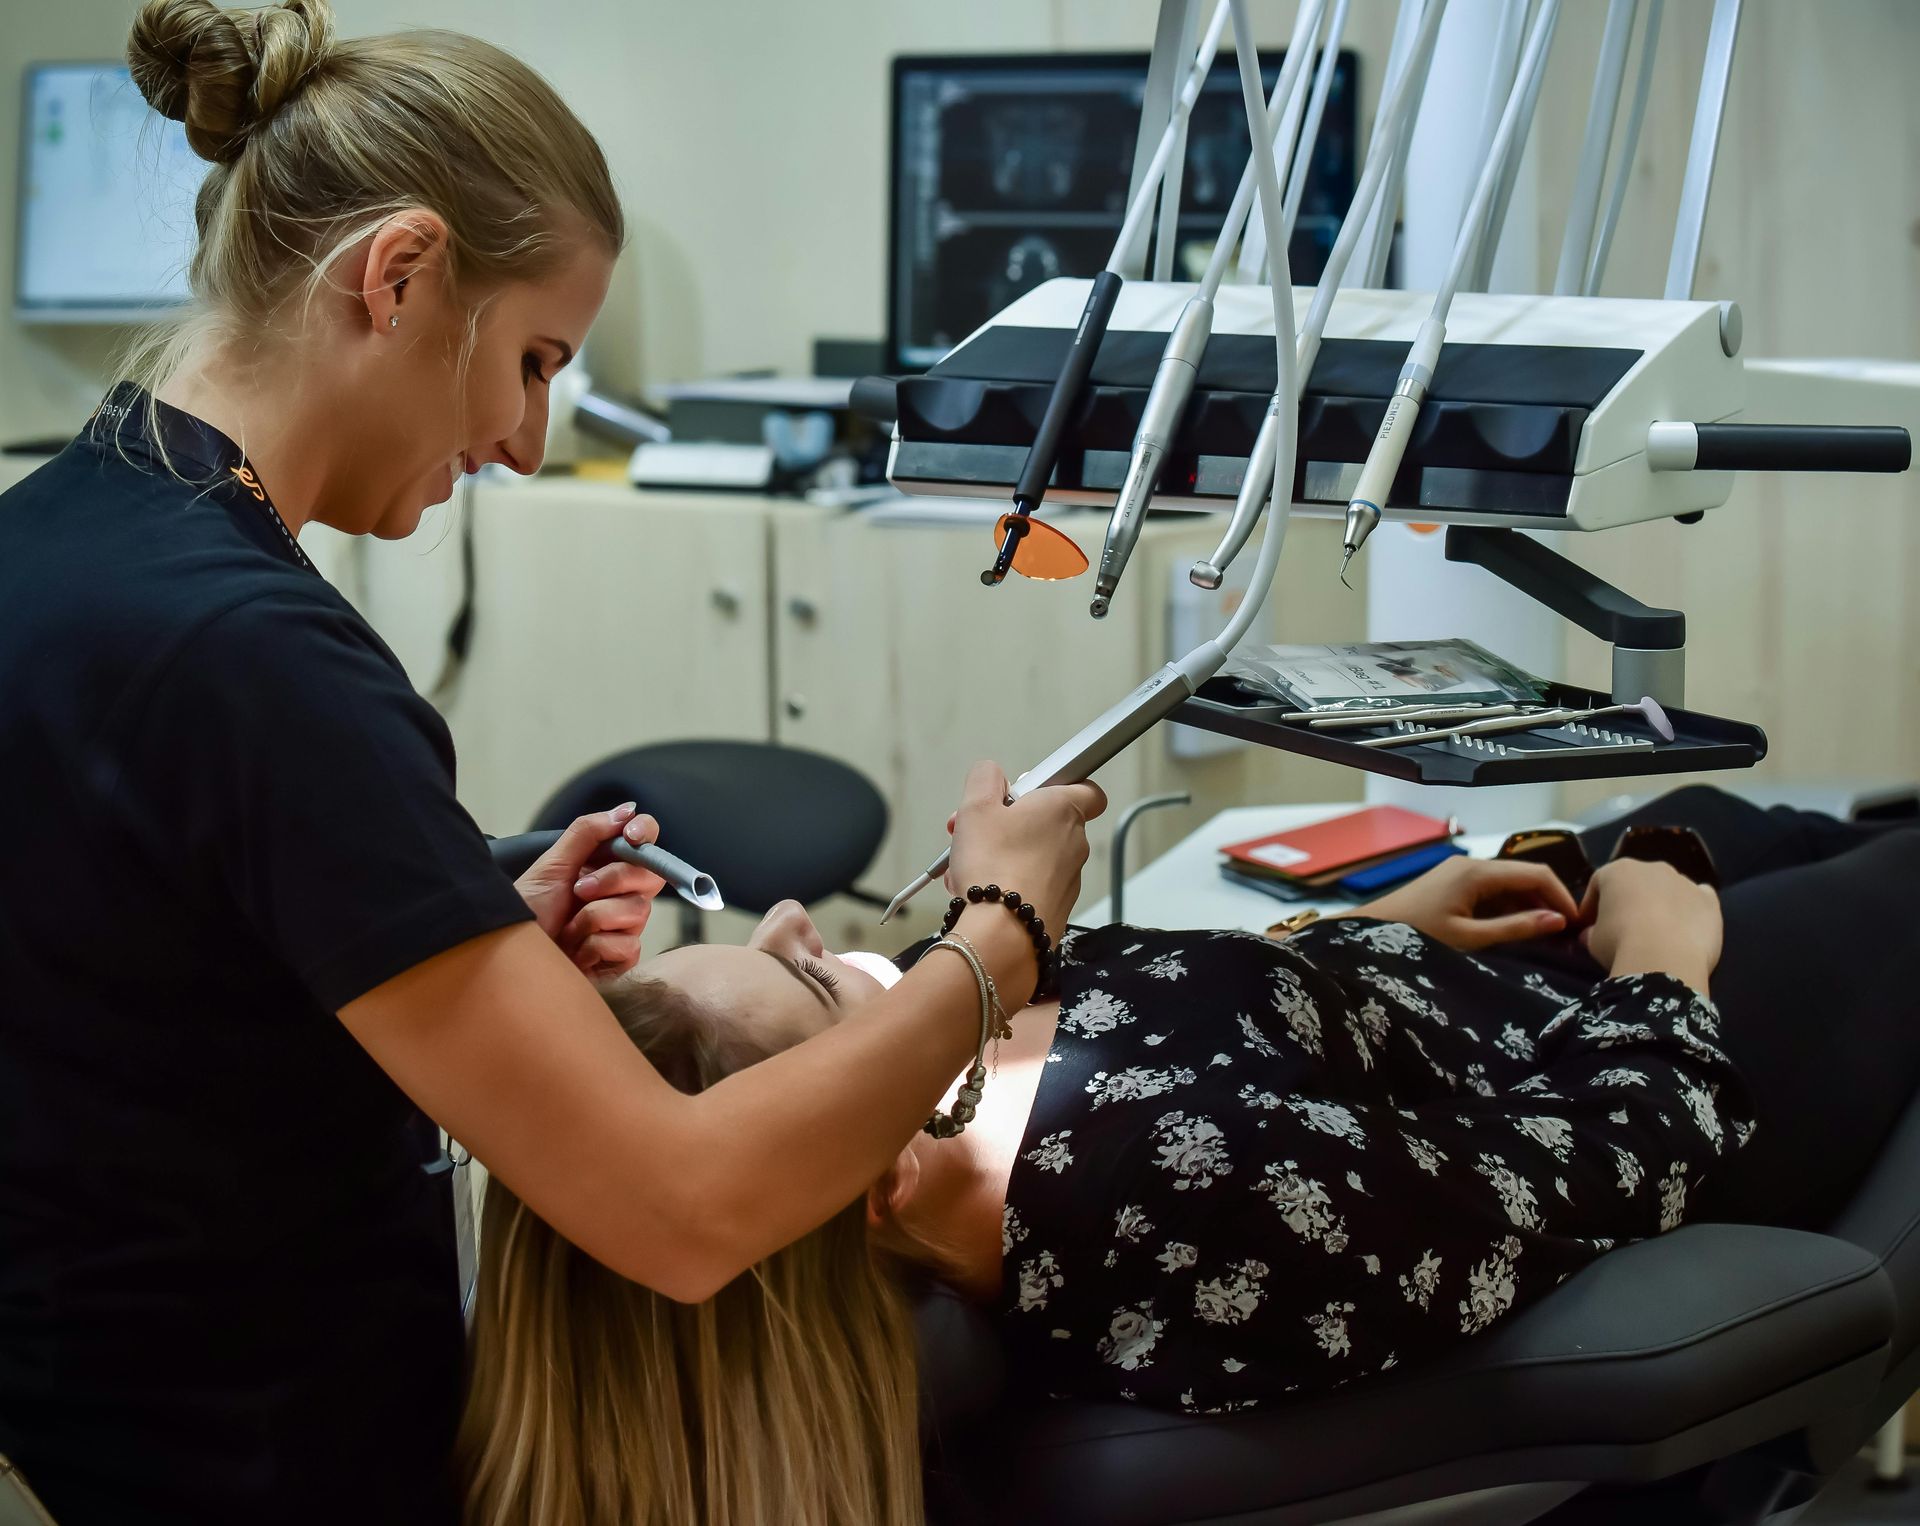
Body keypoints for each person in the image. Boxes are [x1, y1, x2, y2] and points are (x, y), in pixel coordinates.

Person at [0, 3, 1101, 1522]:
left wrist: (454, 941)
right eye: (532, 361)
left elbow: (133, 1012)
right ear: (398, 277)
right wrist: (992, 943)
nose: (522, 440)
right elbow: (685, 1206)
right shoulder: (260, 661)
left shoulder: (51, 542)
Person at [456, 786, 1920, 1526]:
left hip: (1469, 983)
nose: (790, 914)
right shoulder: (1184, 1200)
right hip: (1663, 1065)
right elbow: (1604, 1159)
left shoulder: (946, 1079)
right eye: (813, 978)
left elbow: (1197, 1023)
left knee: (1743, 816)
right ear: (873, 1164)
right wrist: (1668, 952)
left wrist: (1384, 932)